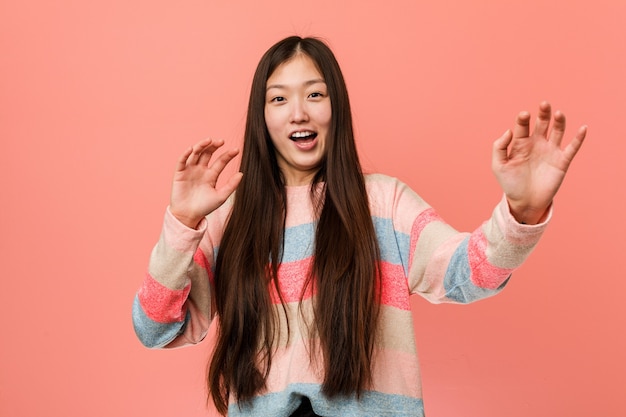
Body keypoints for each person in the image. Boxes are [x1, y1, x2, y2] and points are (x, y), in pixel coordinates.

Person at [132, 36, 586, 417]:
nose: (298, 113)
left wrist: (521, 212)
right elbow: (155, 329)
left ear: (337, 107)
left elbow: (468, 275)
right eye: (278, 98)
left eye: (315, 94)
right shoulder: (230, 218)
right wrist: (182, 223)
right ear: (262, 117)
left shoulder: (383, 203)